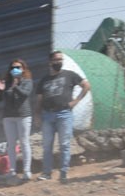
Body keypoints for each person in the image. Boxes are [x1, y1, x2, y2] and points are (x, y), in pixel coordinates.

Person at [36, 51, 89, 183]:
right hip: (47, 115)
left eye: (61, 59)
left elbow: (86, 86)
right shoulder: (44, 80)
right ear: (50, 62)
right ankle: (47, 173)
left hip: (64, 114)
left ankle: (63, 173)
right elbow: (39, 100)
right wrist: (37, 115)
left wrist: (76, 101)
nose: (59, 62)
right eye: (56, 60)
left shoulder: (69, 75)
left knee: (64, 144)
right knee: (47, 145)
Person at [0, 59, 34, 181]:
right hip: (8, 116)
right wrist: (0, 90)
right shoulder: (6, 82)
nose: (15, 69)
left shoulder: (27, 81)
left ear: (23, 69)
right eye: (12, 68)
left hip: (23, 115)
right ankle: (12, 170)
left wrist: (16, 85)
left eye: (18, 67)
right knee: (11, 144)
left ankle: (27, 170)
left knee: (24, 142)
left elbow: (24, 95)